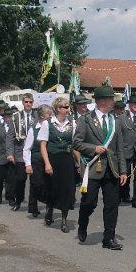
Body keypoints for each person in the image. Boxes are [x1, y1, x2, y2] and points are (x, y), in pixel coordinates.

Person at [73, 87, 128, 249]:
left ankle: (108, 238)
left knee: (112, 204)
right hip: (92, 167)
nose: (113, 102)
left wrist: (123, 170)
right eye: (111, 99)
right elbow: (76, 143)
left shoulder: (115, 121)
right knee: (89, 202)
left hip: (111, 168)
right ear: (102, 101)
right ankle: (83, 223)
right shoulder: (85, 120)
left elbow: (119, 148)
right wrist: (93, 149)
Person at [38, 96, 79, 234]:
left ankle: (64, 220)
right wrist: (47, 164)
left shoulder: (72, 124)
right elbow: (43, 145)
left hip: (66, 160)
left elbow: (74, 146)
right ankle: (49, 209)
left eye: (68, 106)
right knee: (52, 188)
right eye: (66, 107)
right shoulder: (47, 123)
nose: (68, 109)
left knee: (67, 190)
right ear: (57, 109)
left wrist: (80, 163)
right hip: (53, 158)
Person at [24, 104, 52, 219]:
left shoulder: (51, 127)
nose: (51, 117)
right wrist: (28, 164)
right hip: (36, 160)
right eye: (48, 114)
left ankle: (48, 209)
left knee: (48, 185)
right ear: (41, 116)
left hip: (48, 160)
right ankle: (33, 207)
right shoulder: (33, 130)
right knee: (36, 184)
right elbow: (27, 148)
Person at [9, 93, 36, 211]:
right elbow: (10, 136)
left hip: (34, 151)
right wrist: (10, 153)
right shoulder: (16, 116)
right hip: (20, 151)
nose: (28, 104)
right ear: (23, 103)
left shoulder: (37, 115)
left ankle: (33, 205)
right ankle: (18, 200)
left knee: (35, 181)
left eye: (30, 102)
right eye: (26, 102)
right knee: (20, 179)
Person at [119, 94, 136, 207]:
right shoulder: (122, 118)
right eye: (134, 104)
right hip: (126, 150)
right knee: (126, 174)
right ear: (129, 105)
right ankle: (124, 195)